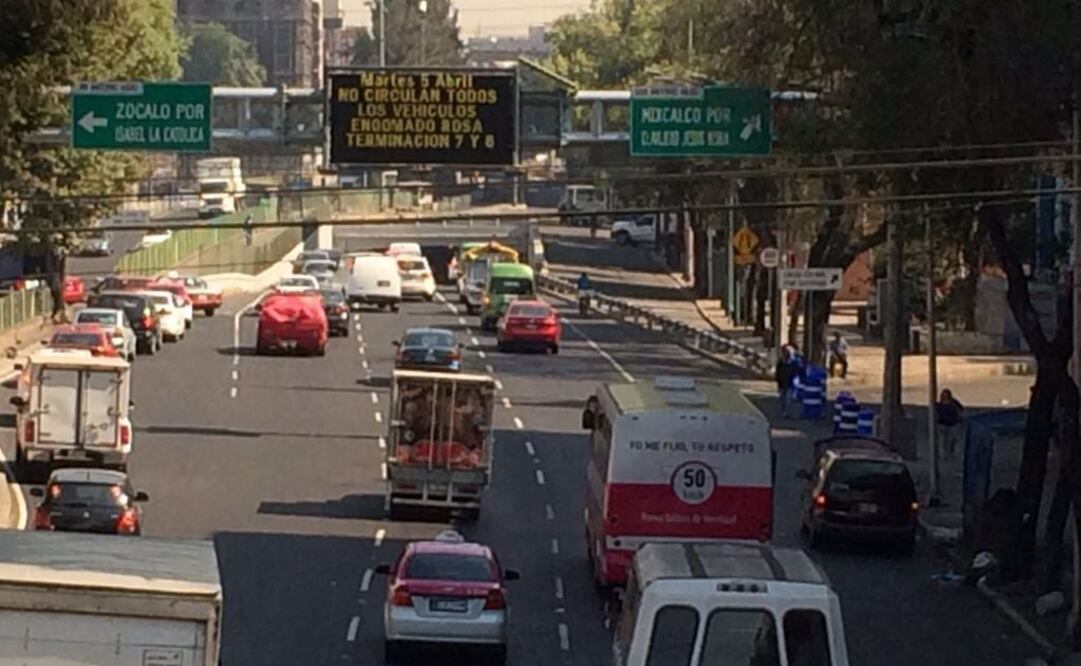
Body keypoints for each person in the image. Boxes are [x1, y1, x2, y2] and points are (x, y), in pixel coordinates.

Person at [936, 388, 965, 461]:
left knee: (952, 440)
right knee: (943, 440)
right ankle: (944, 454)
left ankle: (951, 453)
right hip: (943, 424)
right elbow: (937, 413)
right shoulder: (939, 404)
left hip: (953, 423)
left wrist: (959, 416)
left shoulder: (954, 402)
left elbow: (961, 409)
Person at [775, 346, 800, 418]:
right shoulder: (780, 363)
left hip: (789, 383)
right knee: (782, 398)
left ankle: (786, 412)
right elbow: (778, 373)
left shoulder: (792, 363)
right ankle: (783, 411)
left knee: (788, 398)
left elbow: (795, 372)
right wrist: (778, 381)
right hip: (782, 383)